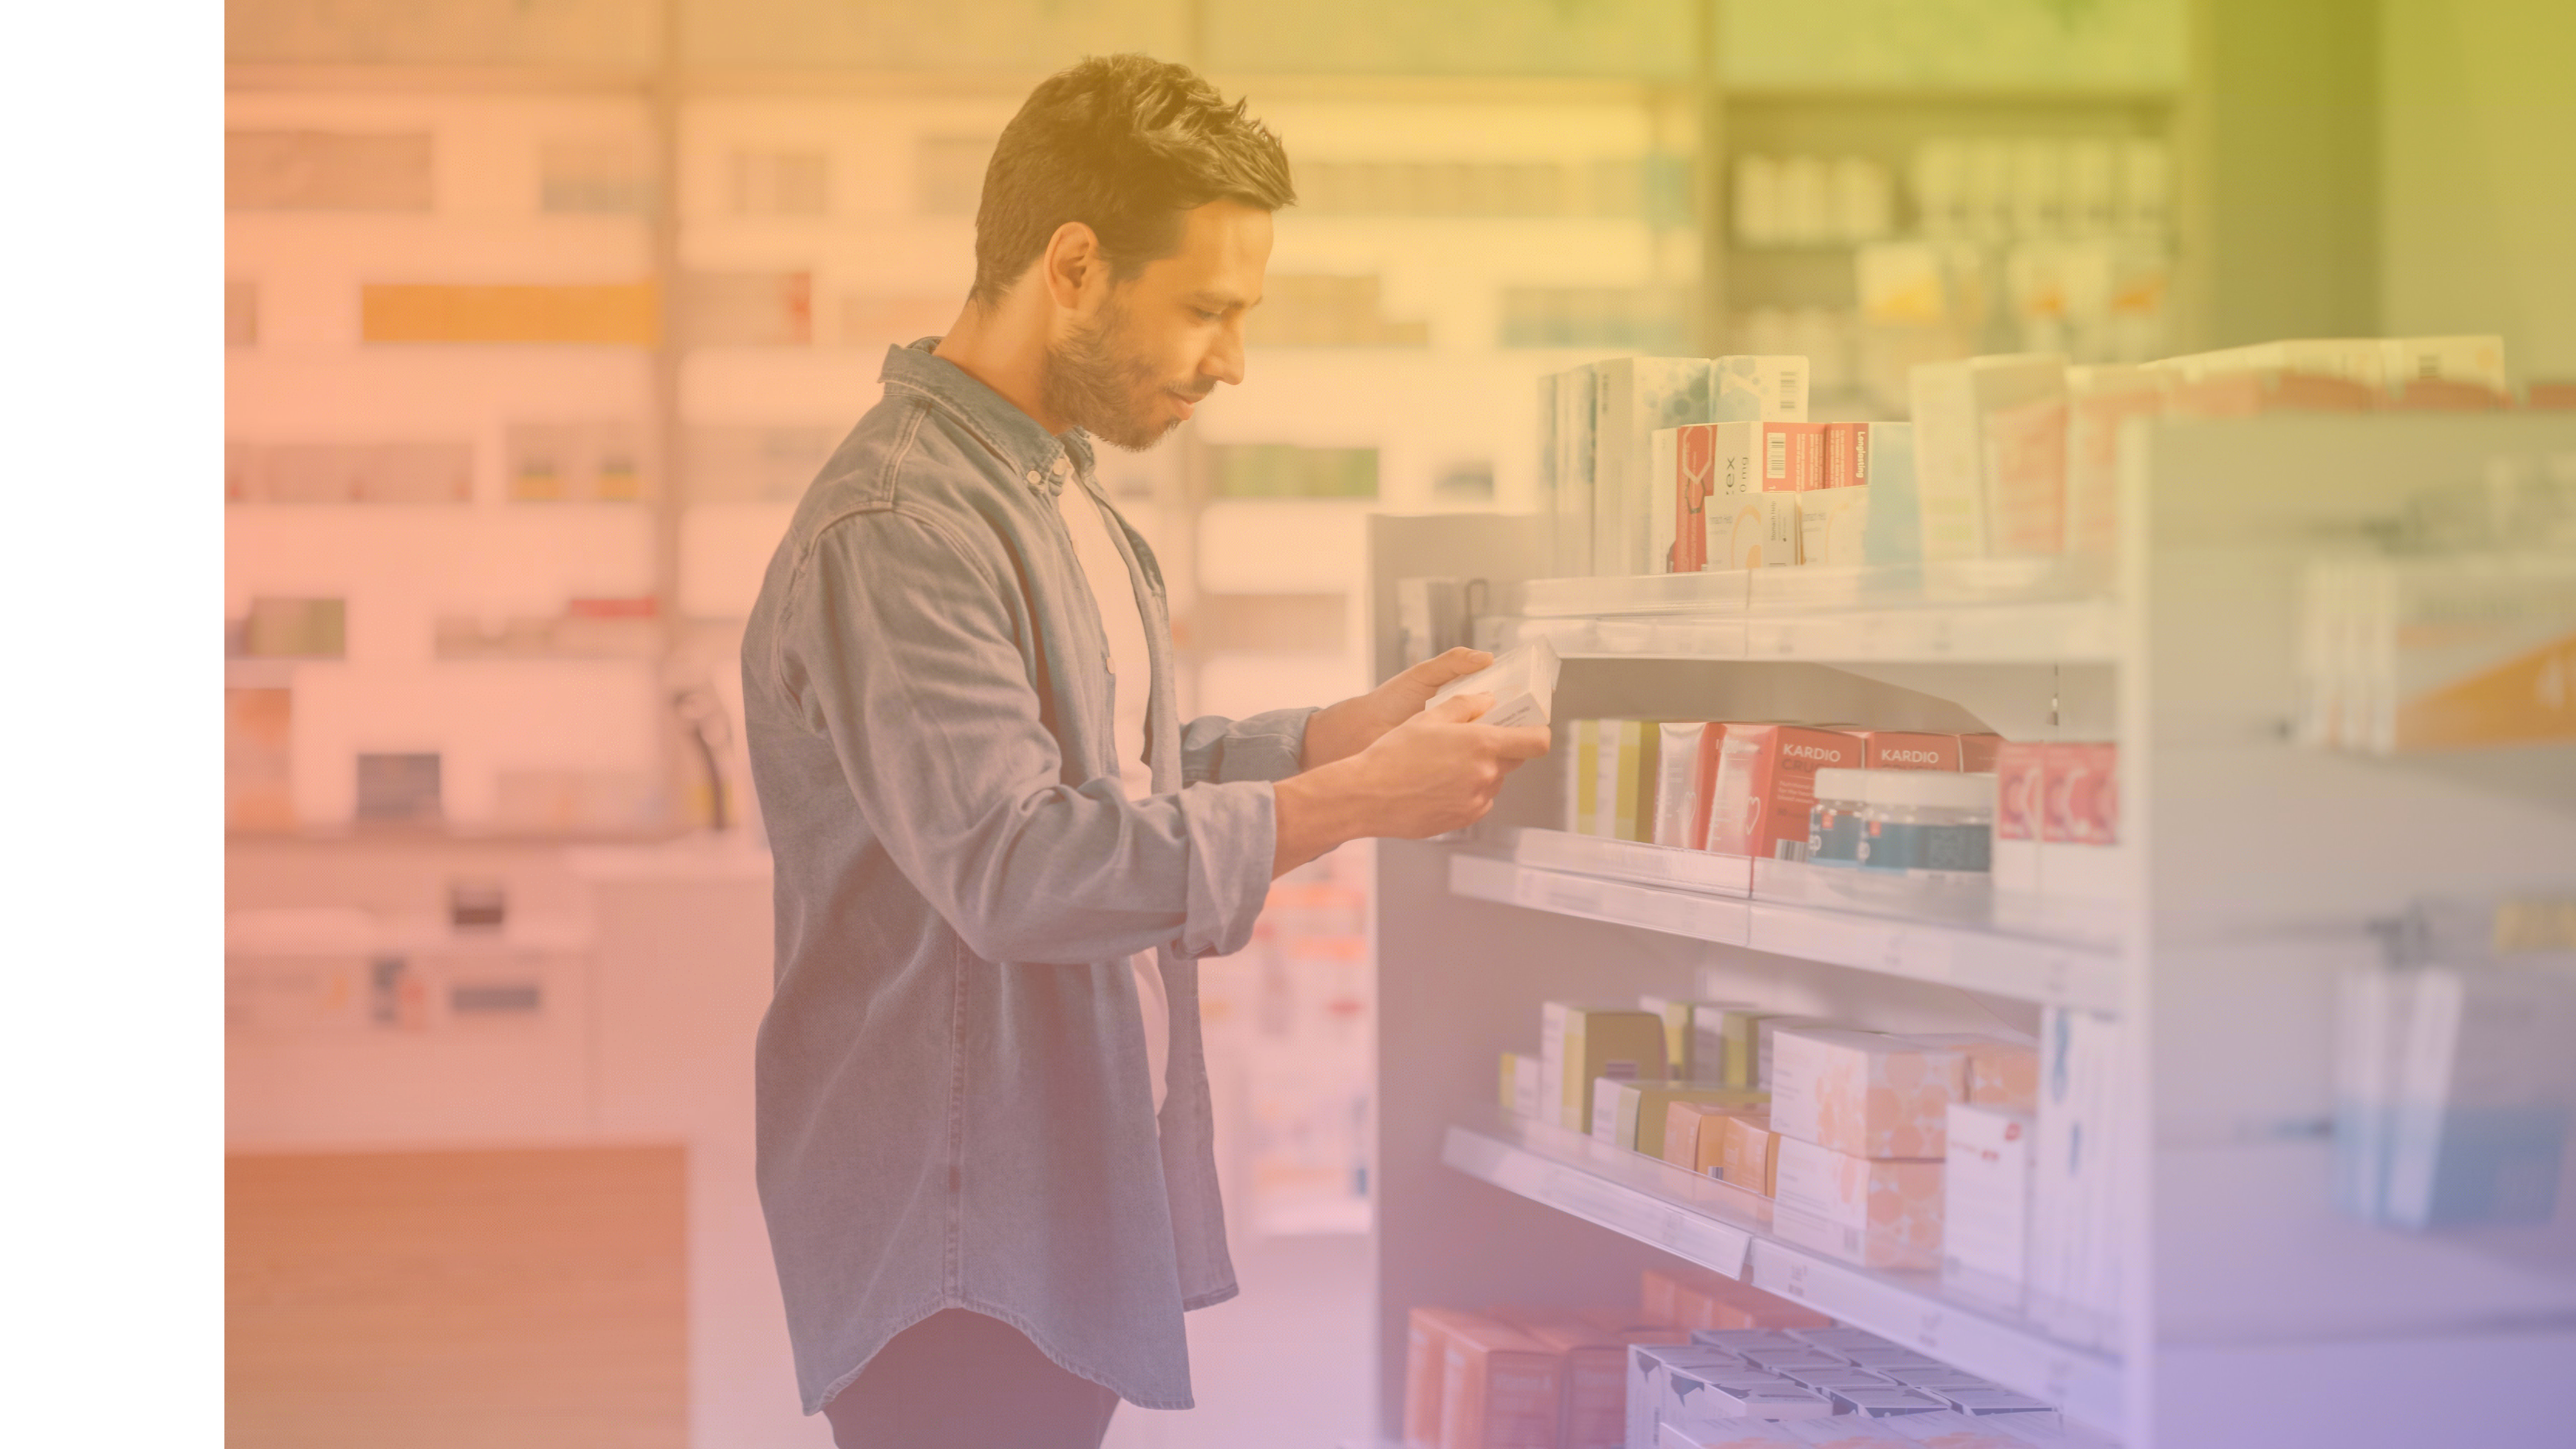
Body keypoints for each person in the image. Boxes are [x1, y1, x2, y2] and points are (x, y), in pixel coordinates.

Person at [739, 53, 1550, 1448]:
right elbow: (1017, 864)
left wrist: (1330, 737)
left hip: (1047, 1179)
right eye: (1207, 310)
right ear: (1072, 267)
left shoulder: (1056, 495)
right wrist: (1349, 802)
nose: (1230, 359)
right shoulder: (902, 527)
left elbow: (1110, 773)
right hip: (956, 1221)